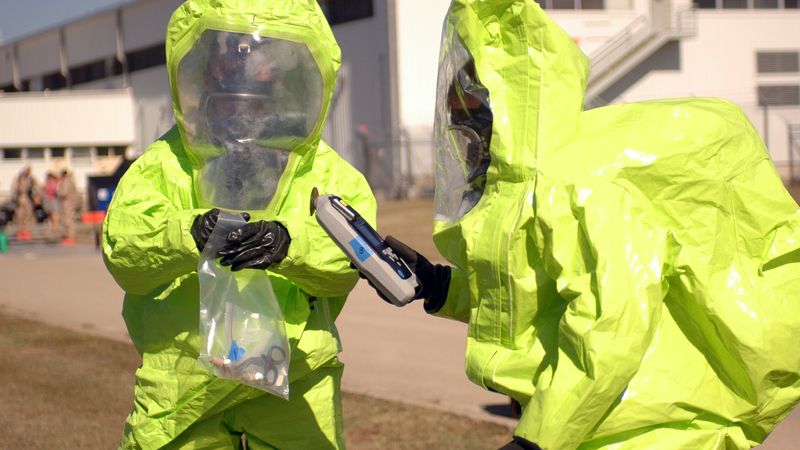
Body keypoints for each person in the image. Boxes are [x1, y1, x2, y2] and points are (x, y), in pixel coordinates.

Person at [363, 1, 800, 449]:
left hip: (650, 432)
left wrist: (536, 441)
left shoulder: (572, 186)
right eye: (458, 117)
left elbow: (611, 329)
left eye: (472, 115)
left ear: (506, 109)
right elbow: (535, 301)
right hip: (601, 425)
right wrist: (438, 287)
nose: (463, 130)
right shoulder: (528, 190)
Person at [102, 1, 375, 448]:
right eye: (230, 86)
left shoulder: (323, 172)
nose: (243, 106)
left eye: (259, 78)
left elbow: (353, 259)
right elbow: (124, 256)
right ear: (203, 76)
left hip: (295, 378)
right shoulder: (165, 165)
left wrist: (289, 245)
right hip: (184, 386)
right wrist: (187, 233)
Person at [10, 166, 37, 241]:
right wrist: (15, 198)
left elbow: (36, 188)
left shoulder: (32, 179)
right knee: (19, 216)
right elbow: (13, 189)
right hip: (20, 199)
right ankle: (21, 232)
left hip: (28, 199)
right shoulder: (18, 178)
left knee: (28, 215)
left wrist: (36, 196)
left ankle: (26, 231)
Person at [57, 169, 79, 246]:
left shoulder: (66, 181)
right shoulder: (70, 180)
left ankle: (71, 237)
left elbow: (63, 192)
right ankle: (69, 236)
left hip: (68, 203)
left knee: (68, 220)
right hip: (69, 203)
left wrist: (58, 187)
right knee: (68, 220)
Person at [42, 172, 61, 240]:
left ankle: (51, 229)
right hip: (52, 200)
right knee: (54, 216)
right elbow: (56, 191)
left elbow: (43, 191)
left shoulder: (46, 183)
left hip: (47, 201)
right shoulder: (54, 183)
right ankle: (54, 229)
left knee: (50, 216)